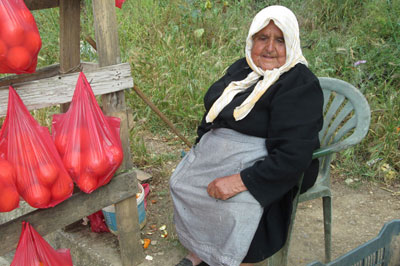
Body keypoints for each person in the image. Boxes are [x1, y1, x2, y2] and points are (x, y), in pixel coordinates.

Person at [170, 5, 323, 266]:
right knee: (182, 183)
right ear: (251, 40)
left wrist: (242, 180)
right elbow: (213, 111)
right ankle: (202, 250)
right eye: (262, 38)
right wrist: (202, 149)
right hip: (224, 153)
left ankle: (240, 259)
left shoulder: (299, 84)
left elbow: (292, 155)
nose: (270, 48)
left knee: (235, 203)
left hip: (271, 163)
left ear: (293, 42)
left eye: (280, 40)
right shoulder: (243, 70)